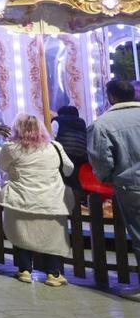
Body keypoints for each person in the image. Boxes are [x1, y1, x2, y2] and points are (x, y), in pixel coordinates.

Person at [0, 113, 72, 287]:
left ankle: (24, 270)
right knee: (52, 238)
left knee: (22, 234)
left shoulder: (11, 147)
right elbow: (68, 168)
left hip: (22, 199)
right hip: (51, 199)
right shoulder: (54, 147)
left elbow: (2, 165)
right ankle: (53, 274)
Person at [89, 78, 140, 301]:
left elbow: (101, 159)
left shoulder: (103, 124)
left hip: (131, 185)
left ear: (111, 96)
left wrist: (110, 178)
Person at [51, 105, 88, 191]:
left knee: (63, 184)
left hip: (63, 156)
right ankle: (77, 204)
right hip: (81, 158)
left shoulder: (57, 121)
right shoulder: (82, 123)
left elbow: (51, 138)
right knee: (76, 184)